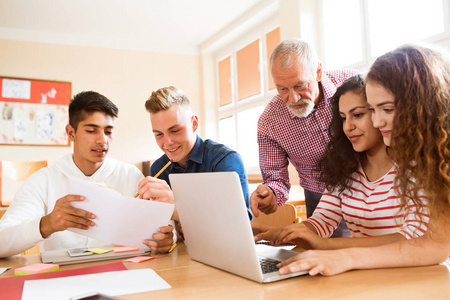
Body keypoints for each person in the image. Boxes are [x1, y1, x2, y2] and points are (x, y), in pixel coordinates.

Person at [275, 44, 450, 276]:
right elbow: (435, 244)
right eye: (374, 110)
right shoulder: (430, 157)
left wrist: (335, 250)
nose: (377, 122)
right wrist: (292, 235)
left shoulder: (429, 162)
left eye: (386, 109)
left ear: (422, 107)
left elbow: (427, 243)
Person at [253, 74, 428, 249]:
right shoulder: (345, 168)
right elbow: (321, 221)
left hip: (417, 273)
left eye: (358, 115)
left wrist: (326, 245)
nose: (348, 127)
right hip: (368, 271)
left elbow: (415, 236)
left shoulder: (417, 167)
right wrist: (275, 233)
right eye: (343, 118)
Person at [0, 91, 174, 257]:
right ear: (71, 133)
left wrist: (166, 240)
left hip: (121, 272)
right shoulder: (43, 180)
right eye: (91, 131)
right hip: (64, 278)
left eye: (108, 131)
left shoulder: (130, 175)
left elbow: (165, 232)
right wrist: (47, 224)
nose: (102, 140)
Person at [251, 38, 358, 237]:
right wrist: (270, 195)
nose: (293, 98)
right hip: (321, 199)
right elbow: (275, 178)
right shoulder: (269, 123)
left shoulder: (355, 87)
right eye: (283, 89)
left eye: (300, 86)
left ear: (318, 71)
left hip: (371, 190)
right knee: (326, 257)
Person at [137, 86, 251, 224]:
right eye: (159, 134)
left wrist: (178, 210)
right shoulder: (158, 168)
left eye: (175, 130)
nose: (167, 142)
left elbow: (237, 223)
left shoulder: (225, 160)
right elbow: (168, 228)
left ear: (194, 123)